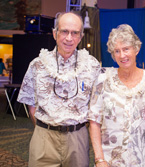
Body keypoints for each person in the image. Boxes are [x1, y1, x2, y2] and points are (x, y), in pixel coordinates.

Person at [17, 12, 101, 167]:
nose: (69, 38)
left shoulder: (92, 66)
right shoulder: (37, 65)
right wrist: (47, 130)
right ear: (55, 33)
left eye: (75, 33)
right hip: (44, 138)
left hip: (78, 139)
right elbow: (31, 106)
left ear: (81, 37)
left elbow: (97, 108)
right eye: (64, 31)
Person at [88, 24, 145, 167]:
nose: (122, 55)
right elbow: (94, 121)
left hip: (144, 161)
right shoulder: (103, 80)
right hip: (109, 161)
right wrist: (99, 159)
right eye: (117, 51)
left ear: (136, 49)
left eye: (126, 49)